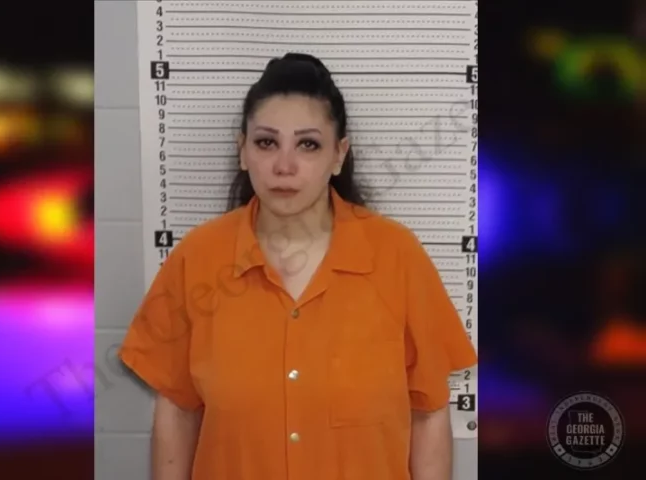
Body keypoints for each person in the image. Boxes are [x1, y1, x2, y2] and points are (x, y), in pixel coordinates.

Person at [119, 52, 477, 480]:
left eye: (308, 144)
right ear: (242, 150)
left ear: (339, 155)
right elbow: (177, 411)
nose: (284, 166)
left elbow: (429, 412)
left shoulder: (397, 256)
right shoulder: (197, 259)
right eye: (266, 143)